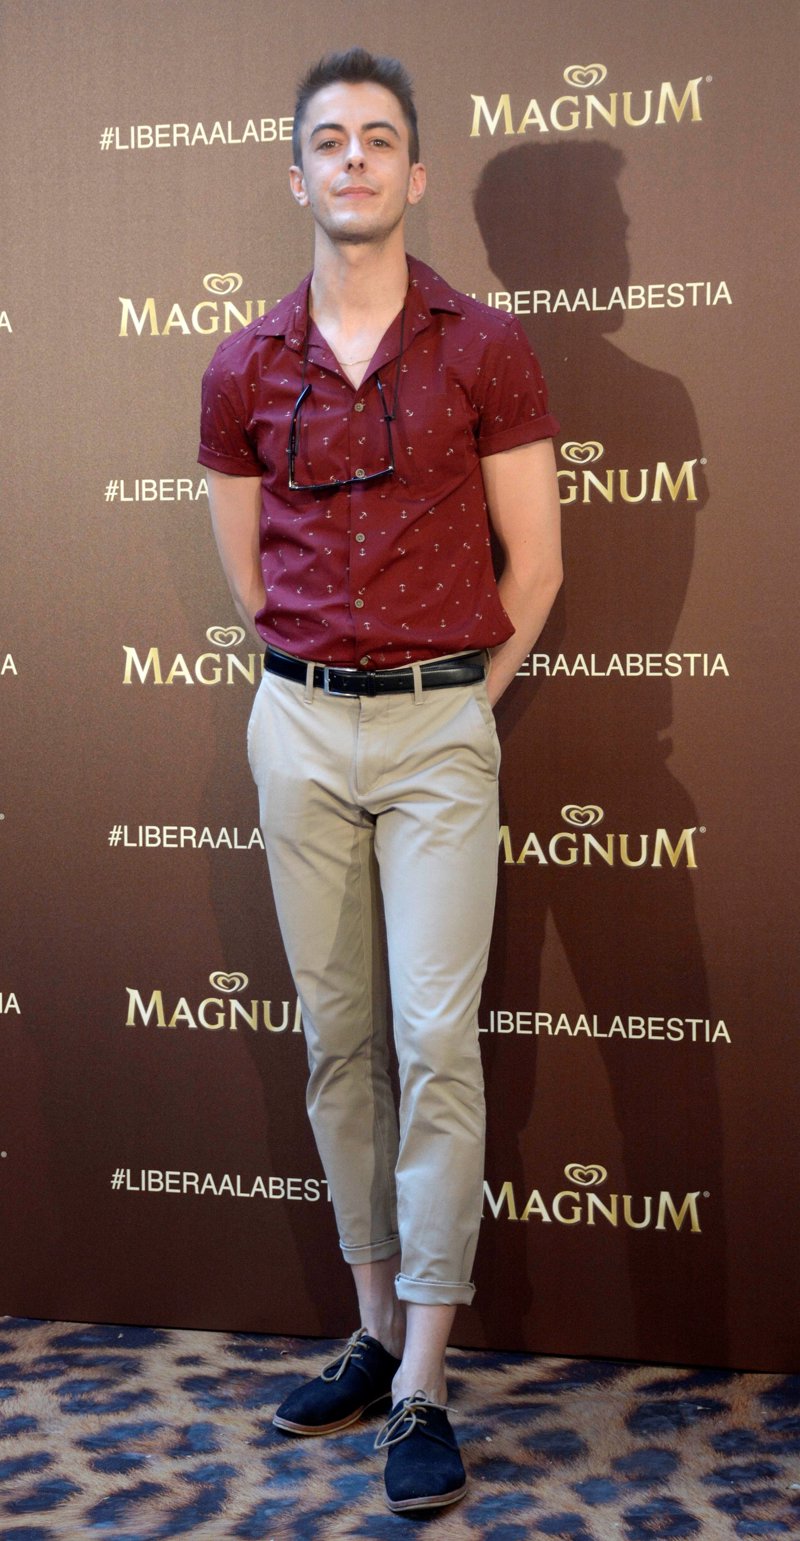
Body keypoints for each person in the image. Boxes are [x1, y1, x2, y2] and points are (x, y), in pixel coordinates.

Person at [198, 46, 562, 1513]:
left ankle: (424, 1382)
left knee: (436, 1042)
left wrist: (454, 707)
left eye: (378, 139)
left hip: (438, 736)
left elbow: (537, 567)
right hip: (298, 727)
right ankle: (366, 1330)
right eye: (329, 140)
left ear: (415, 173)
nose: (352, 159)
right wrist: (324, 695)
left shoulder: (488, 348)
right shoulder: (242, 366)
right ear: (295, 173)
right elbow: (250, 583)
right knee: (340, 1043)